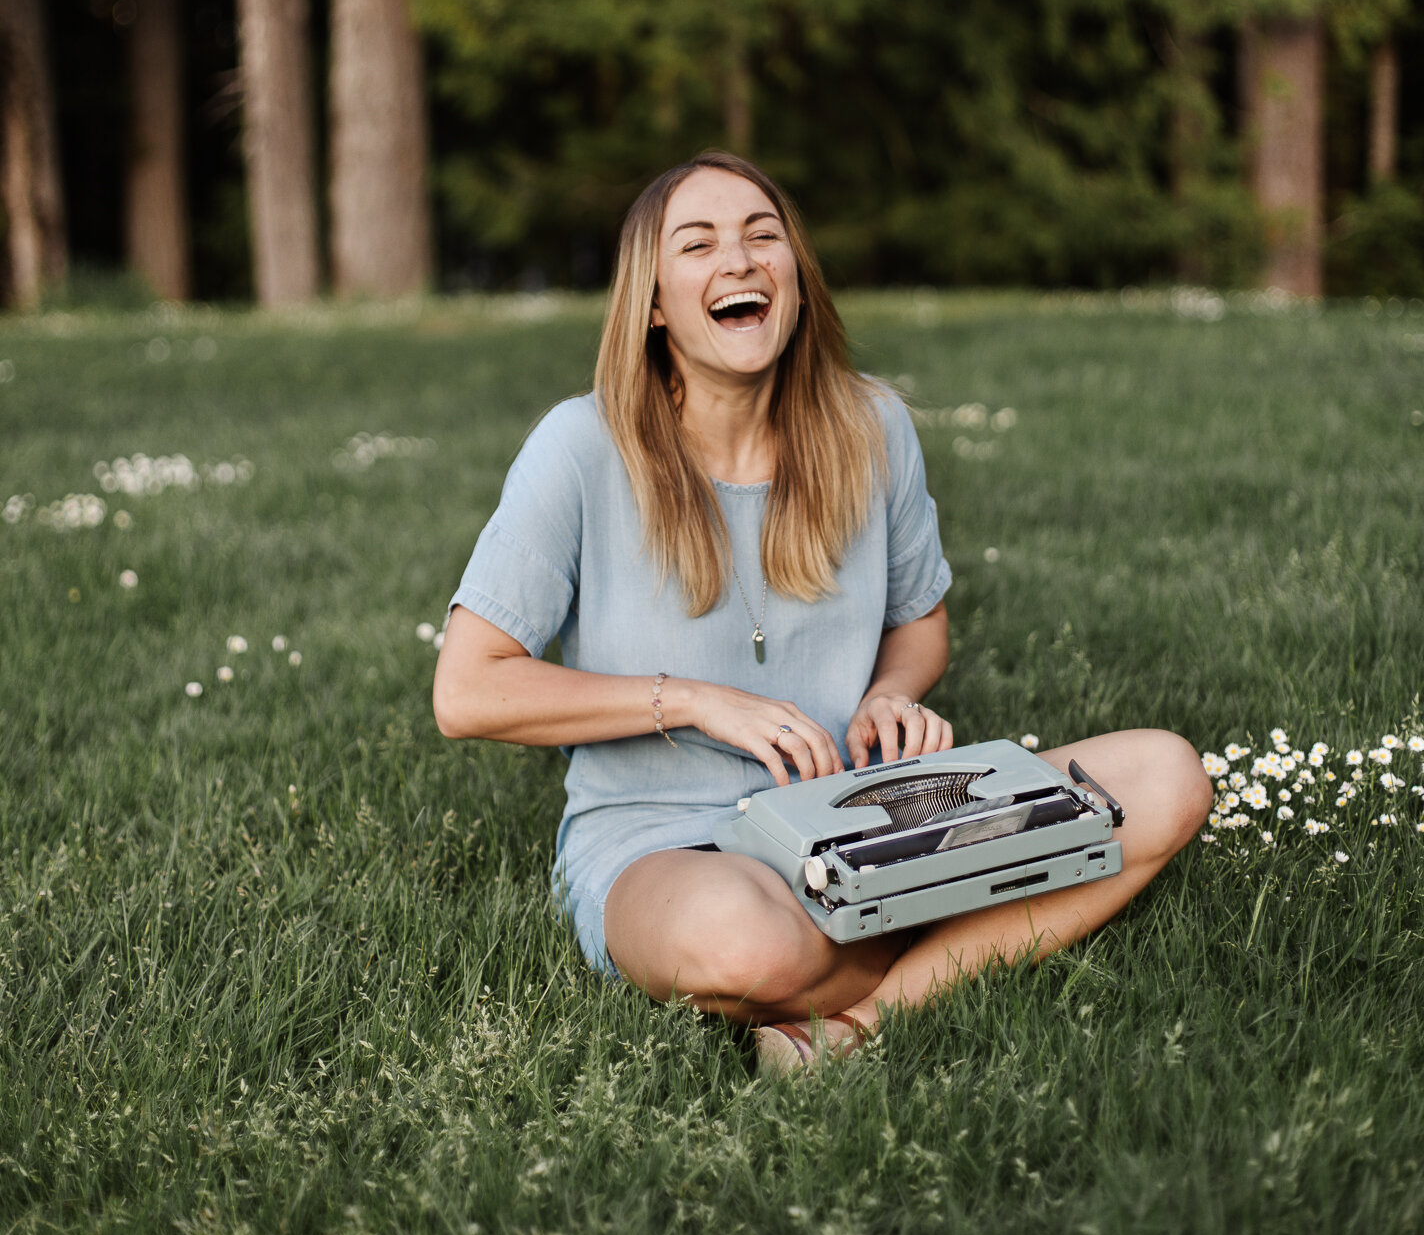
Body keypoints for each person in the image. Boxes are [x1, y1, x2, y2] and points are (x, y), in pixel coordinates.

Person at [433, 151, 1212, 1072]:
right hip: (660, 840)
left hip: (861, 816)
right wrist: (692, 700)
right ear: (651, 304)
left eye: (765, 236)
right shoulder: (580, 446)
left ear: (796, 283)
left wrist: (889, 693)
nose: (741, 260)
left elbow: (922, 624)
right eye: (699, 244)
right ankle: (975, 928)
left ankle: (860, 1024)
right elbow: (468, 692)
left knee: (1164, 777)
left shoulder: (872, 427)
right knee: (740, 940)